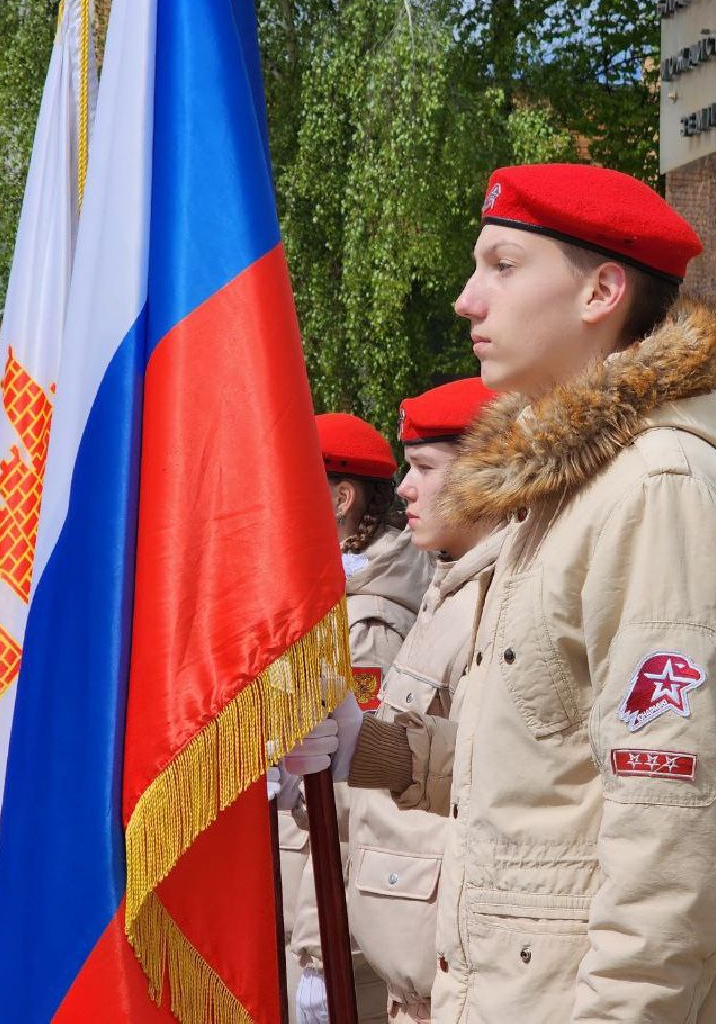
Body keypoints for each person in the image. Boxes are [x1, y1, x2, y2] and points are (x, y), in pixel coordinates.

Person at [348, 163, 716, 1021]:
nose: (467, 300)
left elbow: (675, 824)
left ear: (602, 292)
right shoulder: (567, 493)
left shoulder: (656, 488)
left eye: (503, 266)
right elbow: (549, 774)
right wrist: (361, 747)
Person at [332, 377, 503, 1024]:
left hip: (441, 966)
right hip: (410, 964)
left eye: (425, 467)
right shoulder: (444, 596)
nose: (405, 486)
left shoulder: (490, 603)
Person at [277, 412, 430, 1023]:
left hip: (332, 919)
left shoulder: (365, 626)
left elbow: (348, 797)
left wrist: (317, 951)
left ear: (340, 499)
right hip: (304, 895)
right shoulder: (330, 603)